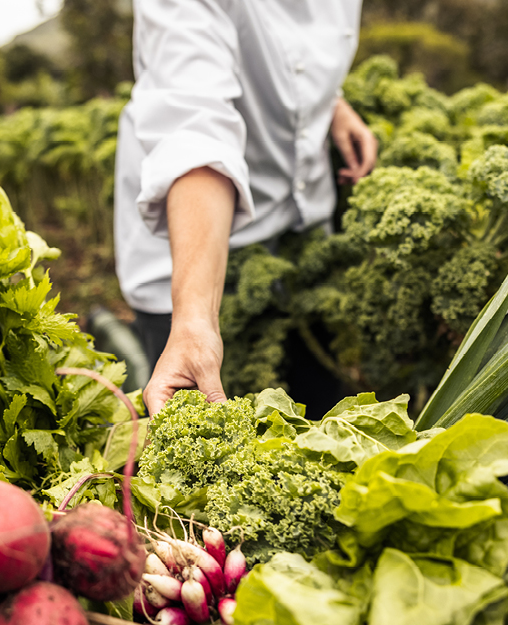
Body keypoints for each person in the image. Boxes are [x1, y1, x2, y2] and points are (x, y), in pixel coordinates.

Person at [113, 1, 378, 417]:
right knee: (214, 448)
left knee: (321, 408)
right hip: (192, 252)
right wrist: (195, 320)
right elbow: (196, 131)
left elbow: (290, 52)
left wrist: (328, 104)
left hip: (298, 233)